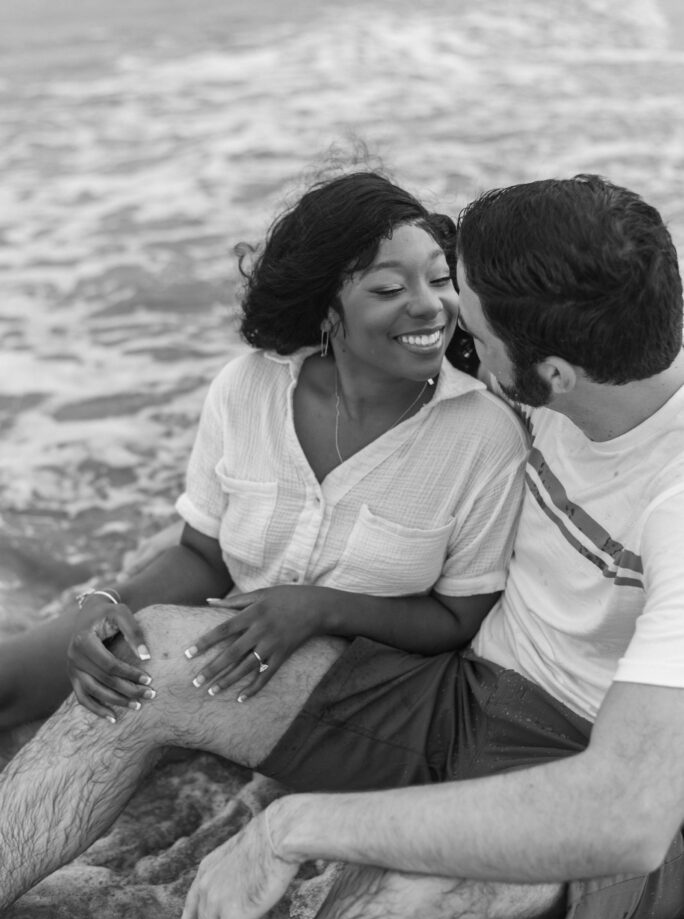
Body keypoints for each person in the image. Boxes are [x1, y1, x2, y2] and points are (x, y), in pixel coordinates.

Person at [2, 172, 683, 919]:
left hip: (597, 775)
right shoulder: (578, 371)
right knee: (149, 665)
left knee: (408, 891)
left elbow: (627, 815)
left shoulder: (658, 491)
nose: (452, 322)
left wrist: (296, 827)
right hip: (462, 696)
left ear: (555, 373)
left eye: (469, 307)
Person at [0, 169, 526, 727]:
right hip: (226, 642)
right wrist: (107, 605)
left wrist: (321, 610)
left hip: (365, 693)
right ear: (327, 310)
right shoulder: (250, 386)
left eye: (441, 280)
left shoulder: (483, 435)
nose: (430, 307)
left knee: (108, 721)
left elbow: (457, 617)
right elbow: (205, 559)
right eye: (390, 289)